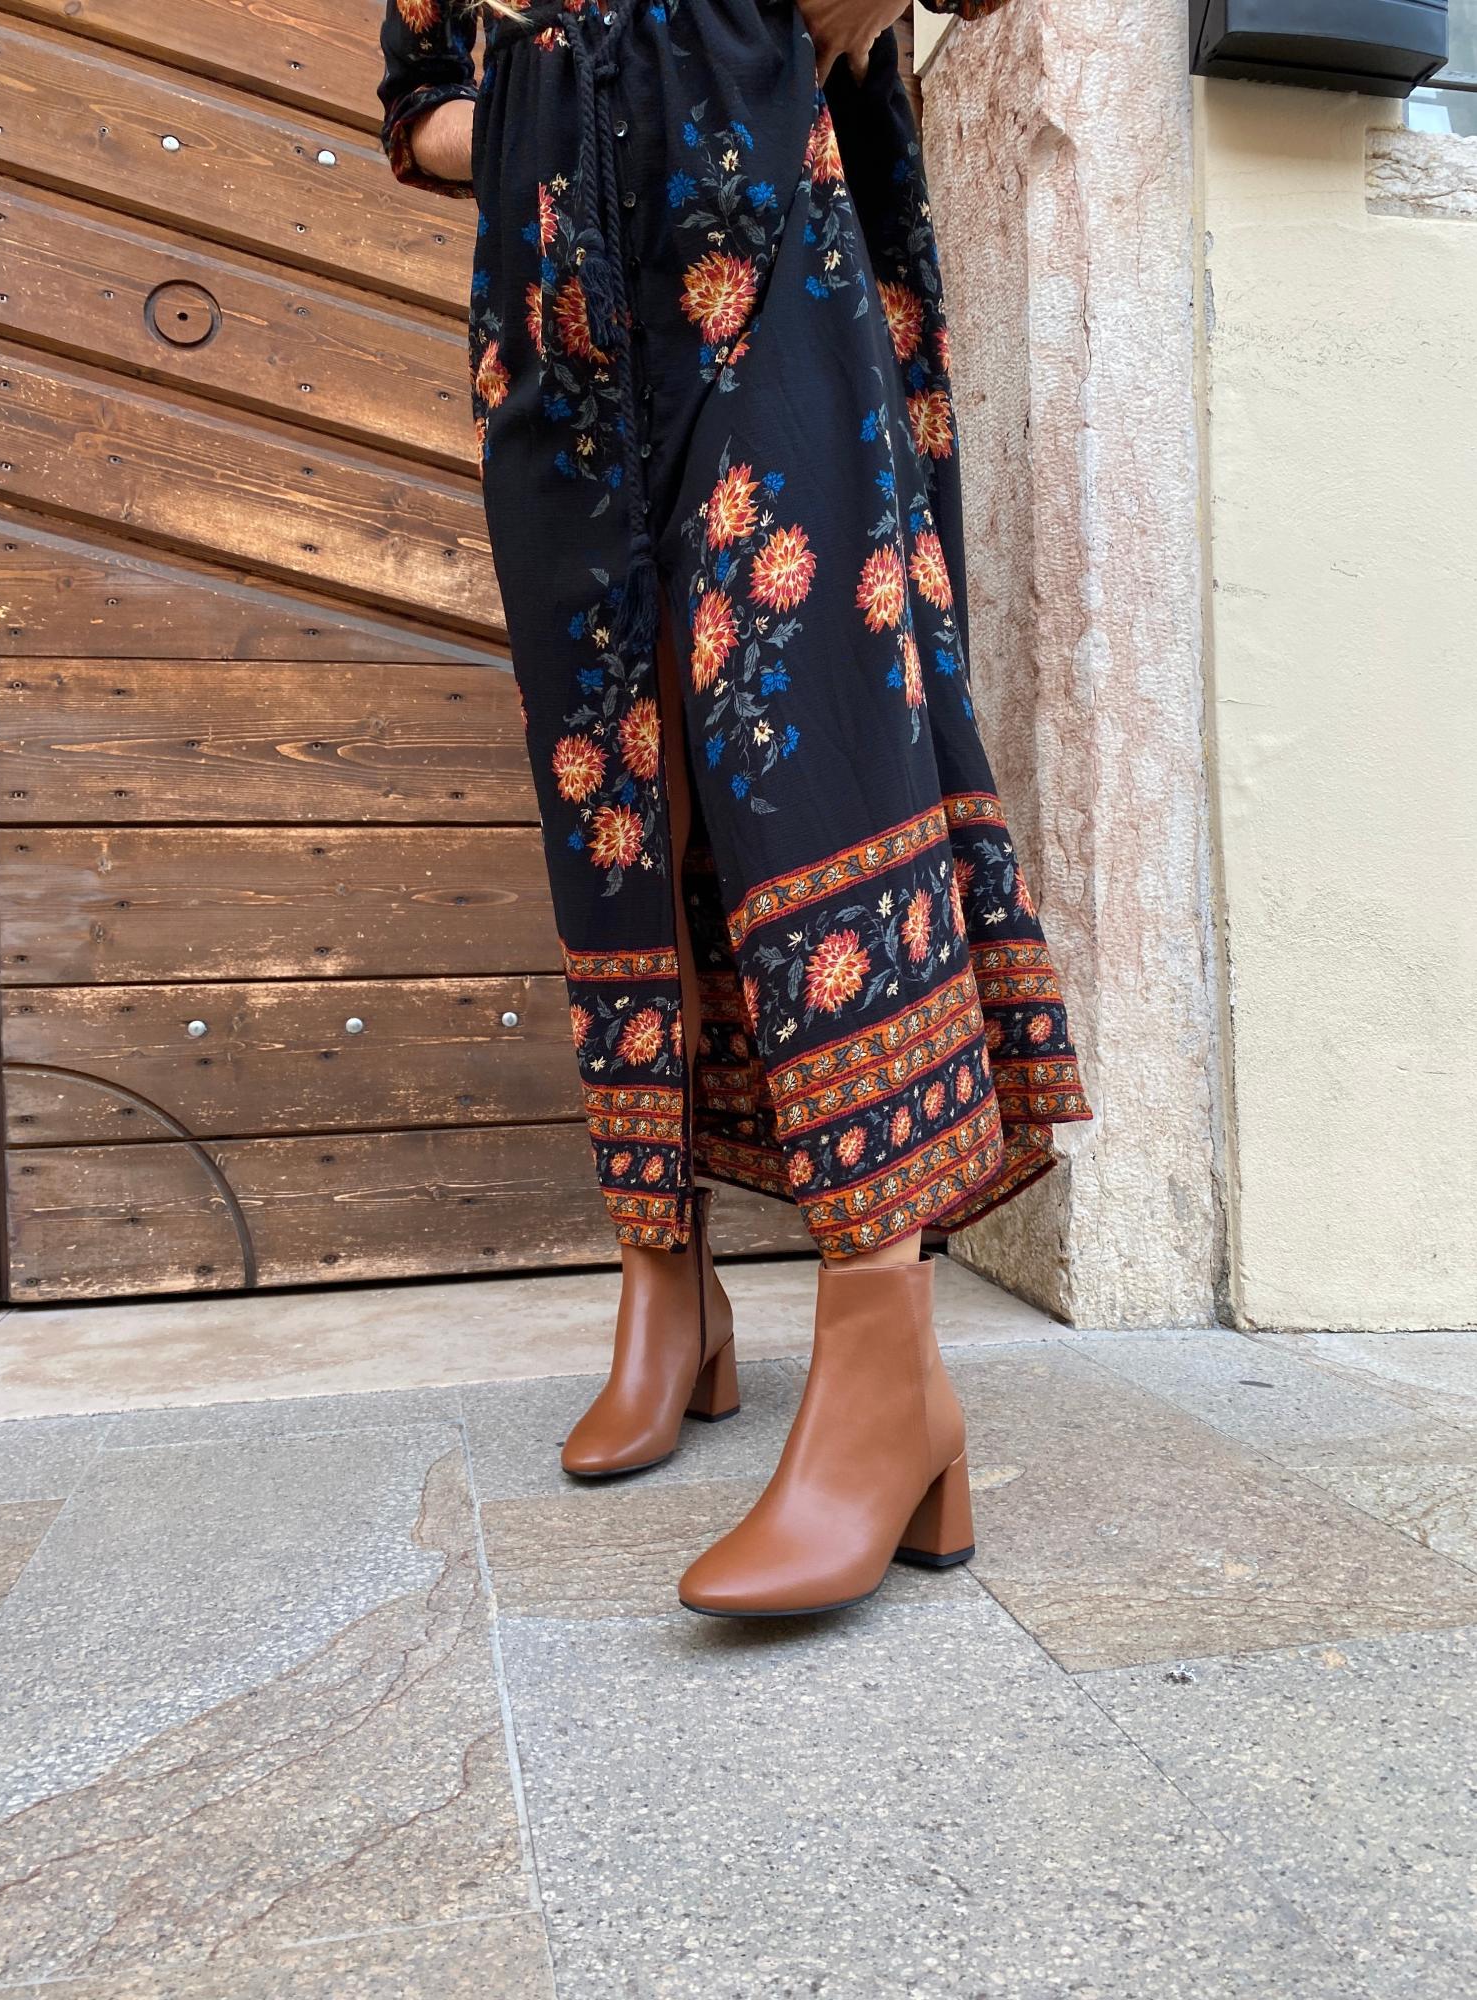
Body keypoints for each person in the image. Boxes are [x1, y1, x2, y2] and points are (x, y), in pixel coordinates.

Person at [377, 0, 1091, 1617]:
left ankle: (884, 1361)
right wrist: (550, 105)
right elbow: (416, 105)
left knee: (810, 738)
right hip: (555, 307)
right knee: (614, 793)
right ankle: (667, 1285)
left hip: (761, 217)